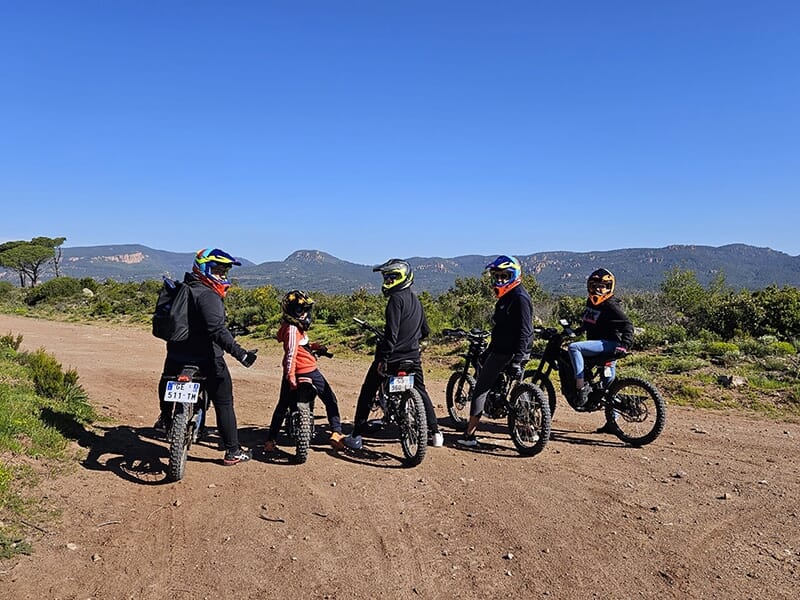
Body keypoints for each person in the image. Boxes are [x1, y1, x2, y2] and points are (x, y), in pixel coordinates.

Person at [154, 247, 258, 466]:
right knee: (224, 401)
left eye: (224, 271)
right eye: (217, 270)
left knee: (166, 379)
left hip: (176, 353)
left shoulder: (182, 288)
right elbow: (217, 330)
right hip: (206, 358)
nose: (221, 275)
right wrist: (241, 354)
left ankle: (165, 418)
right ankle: (233, 451)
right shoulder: (208, 295)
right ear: (204, 268)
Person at [343, 259, 444, 450]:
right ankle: (436, 433)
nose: (388, 280)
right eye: (386, 277)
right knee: (422, 392)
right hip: (413, 358)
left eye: (392, 277)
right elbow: (426, 331)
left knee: (368, 390)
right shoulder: (416, 300)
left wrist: (383, 358)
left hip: (393, 358)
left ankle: (356, 435)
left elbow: (391, 333)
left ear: (403, 277)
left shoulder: (395, 300)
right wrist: (412, 341)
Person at [457, 255, 533, 448]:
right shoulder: (508, 296)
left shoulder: (519, 297)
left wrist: (517, 359)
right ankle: (528, 430)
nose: (499, 280)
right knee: (517, 389)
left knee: (480, 389)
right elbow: (501, 329)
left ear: (514, 275)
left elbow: (525, 331)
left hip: (508, 353)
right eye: (496, 276)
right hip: (506, 350)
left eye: (504, 276)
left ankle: (470, 435)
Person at [264, 290, 345, 452]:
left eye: (306, 310)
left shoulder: (291, 327)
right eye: (300, 310)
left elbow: (298, 345)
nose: (305, 314)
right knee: (330, 399)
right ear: (291, 312)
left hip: (296, 371)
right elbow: (291, 353)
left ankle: (270, 440)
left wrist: (315, 346)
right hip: (306, 371)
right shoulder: (293, 329)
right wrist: (290, 375)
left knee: (282, 406)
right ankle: (337, 432)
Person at [567, 268, 634, 429]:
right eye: (595, 285)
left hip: (610, 344)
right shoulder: (591, 302)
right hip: (601, 345)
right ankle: (612, 424)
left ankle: (580, 385)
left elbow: (627, 324)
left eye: (602, 286)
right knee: (608, 385)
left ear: (609, 287)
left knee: (574, 348)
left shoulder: (610, 304)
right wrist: (575, 331)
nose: (598, 289)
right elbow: (588, 323)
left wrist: (625, 344)